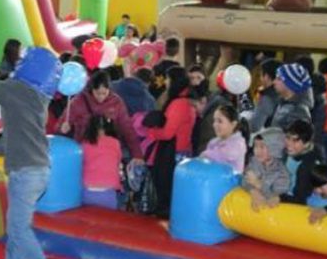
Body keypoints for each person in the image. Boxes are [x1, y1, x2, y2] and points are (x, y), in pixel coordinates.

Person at [0, 48, 60, 259]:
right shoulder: (40, 98)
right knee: (15, 224)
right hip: (35, 169)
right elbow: (15, 137)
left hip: (27, 171)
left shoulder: (16, 89)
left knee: (18, 228)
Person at [145, 66, 198, 217]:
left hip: (172, 154)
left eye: (168, 79)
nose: (166, 82)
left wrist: (152, 132)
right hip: (182, 151)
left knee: (167, 189)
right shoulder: (187, 101)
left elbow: (167, 133)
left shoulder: (178, 104)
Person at [63, 71, 144, 162]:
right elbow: (62, 123)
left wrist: (137, 155)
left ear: (109, 90)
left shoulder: (116, 102)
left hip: (108, 152)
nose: (101, 97)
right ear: (91, 89)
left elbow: (127, 128)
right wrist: (63, 128)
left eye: (104, 93)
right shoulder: (78, 101)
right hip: (84, 152)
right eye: (98, 93)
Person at [81, 116, 122, 209]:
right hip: (108, 191)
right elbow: (117, 162)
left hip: (87, 190)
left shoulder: (84, 144)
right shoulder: (115, 143)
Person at [244, 127, 289, 210]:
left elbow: (276, 199)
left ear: (274, 149)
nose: (257, 151)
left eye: (262, 147)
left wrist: (259, 184)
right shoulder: (255, 161)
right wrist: (253, 191)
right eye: (255, 146)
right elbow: (244, 180)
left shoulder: (281, 174)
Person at [281, 119, 321, 204]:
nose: (289, 144)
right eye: (288, 138)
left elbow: (301, 200)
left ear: (306, 144)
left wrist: (275, 196)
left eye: (295, 141)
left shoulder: (309, 166)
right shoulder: (286, 153)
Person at [199, 104, 246, 174]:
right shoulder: (214, 142)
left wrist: (203, 155)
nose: (215, 124)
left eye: (220, 121)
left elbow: (222, 155)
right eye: (214, 121)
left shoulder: (238, 144)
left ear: (233, 124)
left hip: (231, 183)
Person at [269, 62, 313, 131]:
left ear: (290, 84)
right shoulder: (282, 103)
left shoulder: (299, 111)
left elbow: (294, 140)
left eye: (279, 79)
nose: (274, 82)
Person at [248, 59, 281, 133]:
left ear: (266, 76)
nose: (260, 79)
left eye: (260, 75)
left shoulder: (267, 98)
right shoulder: (283, 94)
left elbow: (254, 126)